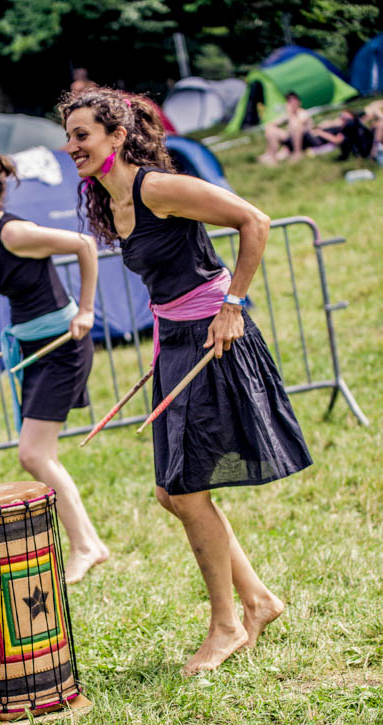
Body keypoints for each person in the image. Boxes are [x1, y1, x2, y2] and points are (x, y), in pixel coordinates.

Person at [59, 87, 312, 677]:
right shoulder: (110, 199)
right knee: (171, 492)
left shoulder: (157, 188)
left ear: (117, 136)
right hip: (176, 341)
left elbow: (255, 220)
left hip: (213, 336)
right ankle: (258, 601)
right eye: (68, 136)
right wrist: (163, 346)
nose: (71, 146)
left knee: (187, 491)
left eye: (82, 135)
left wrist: (233, 305)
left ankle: (227, 625)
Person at [0, 149, 109, 584]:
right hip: (33, 347)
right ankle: (91, 544)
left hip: (63, 347)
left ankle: (84, 547)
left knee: (33, 454)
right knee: (41, 455)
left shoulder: (14, 232)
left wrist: (87, 310)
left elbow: (85, 244)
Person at [259, 92, 321, 164]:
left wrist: (290, 114)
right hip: (292, 140)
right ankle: (270, 155)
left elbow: (298, 125)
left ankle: (297, 154)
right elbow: (274, 123)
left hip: (306, 140)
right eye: (289, 101)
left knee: (295, 126)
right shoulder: (289, 114)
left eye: (293, 101)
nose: (292, 103)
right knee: (271, 129)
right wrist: (270, 126)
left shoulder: (303, 113)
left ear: (299, 102)